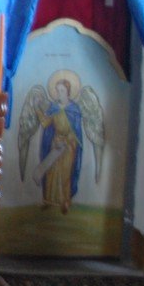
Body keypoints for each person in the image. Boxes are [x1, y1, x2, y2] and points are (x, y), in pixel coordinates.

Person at [36, 78, 84, 214]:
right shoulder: (54, 107)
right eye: (57, 91)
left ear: (68, 91)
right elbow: (45, 123)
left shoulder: (74, 110)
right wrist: (37, 109)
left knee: (65, 174)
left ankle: (65, 202)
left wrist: (67, 141)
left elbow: (76, 133)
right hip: (55, 144)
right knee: (51, 172)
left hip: (68, 146)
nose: (59, 93)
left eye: (62, 91)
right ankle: (48, 200)